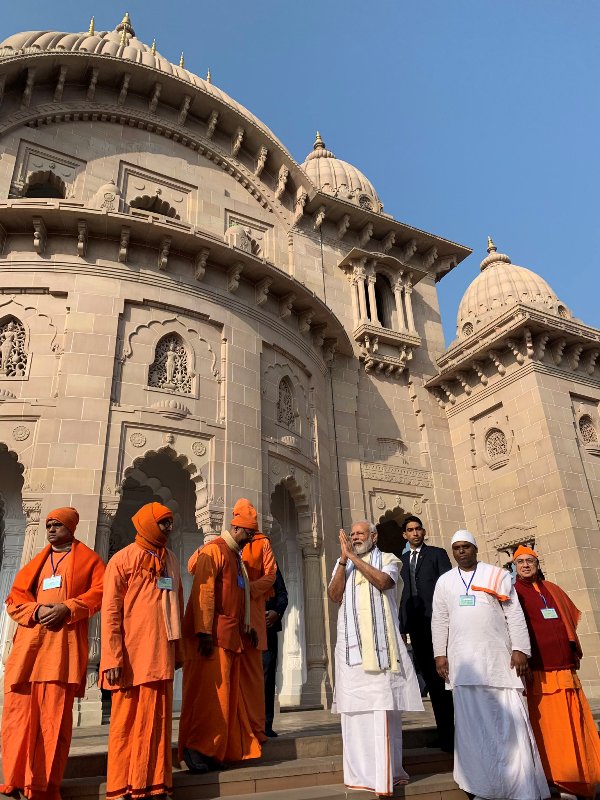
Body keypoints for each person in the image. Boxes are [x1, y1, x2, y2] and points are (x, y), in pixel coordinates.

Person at [432, 530, 549, 800]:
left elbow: (514, 612)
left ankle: (520, 787)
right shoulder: (445, 582)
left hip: (499, 662)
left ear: (474, 549)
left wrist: (520, 649)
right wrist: (440, 654)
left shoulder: (497, 574)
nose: (461, 551)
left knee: (509, 724)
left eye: (466, 547)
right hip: (463, 665)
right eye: (457, 548)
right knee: (472, 730)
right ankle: (481, 786)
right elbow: (439, 620)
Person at [0, 507, 105, 800]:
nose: (51, 529)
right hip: (29, 650)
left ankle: (44, 786)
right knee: (17, 717)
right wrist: (37, 609)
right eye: (48, 525)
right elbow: (14, 599)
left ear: (71, 528)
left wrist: (67, 608)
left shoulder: (89, 561)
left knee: (53, 720)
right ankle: (16, 779)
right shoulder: (38, 561)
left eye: (57, 525)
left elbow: (101, 592)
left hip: (61, 651)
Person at [328, 520, 424, 797]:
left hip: (381, 654)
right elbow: (334, 596)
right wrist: (345, 562)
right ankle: (359, 775)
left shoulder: (389, 559)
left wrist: (354, 559)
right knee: (354, 713)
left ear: (374, 536)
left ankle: (385, 775)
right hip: (351, 654)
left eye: (360, 534)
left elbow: (383, 582)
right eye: (353, 534)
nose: (356, 537)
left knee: (381, 712)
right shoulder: (343, 563)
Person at [100, 501, 183, 800]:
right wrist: (112, 656)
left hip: (161, 655)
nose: (169, 528)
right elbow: (110, 611)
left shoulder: (170, 560)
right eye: (164, 523)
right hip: (131, 657)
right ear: (148, 523)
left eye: (171, 522)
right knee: (127, 725)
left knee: (158, 724)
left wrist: (179, 651)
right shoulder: (123, 559)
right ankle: (125, 786)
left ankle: (155, 785)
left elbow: (178, 604)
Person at [179, 498, 262, 773]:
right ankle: (196, 748)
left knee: (225, 697)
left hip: (229, 637)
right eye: (249, 533)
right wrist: (203, 632)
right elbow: (204, 592)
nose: (251, 539)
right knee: (208, 697)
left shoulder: (234, 556)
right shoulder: (214, 551)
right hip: (211, 639)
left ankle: (216, 749)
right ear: (237, 528)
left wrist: (246, 625)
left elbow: (239, 595)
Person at [513, 545, 600, 799]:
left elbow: (569, 619)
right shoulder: (514, 592)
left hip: (565, 669)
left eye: (530, 561)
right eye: (521, 563)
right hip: (538, 672)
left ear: (538, 564)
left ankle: (579, 776)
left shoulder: (552, 589)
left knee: (574, 724)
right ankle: (556, 778)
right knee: (550, 729)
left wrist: (573, 651)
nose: (526, 566)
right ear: (514, 567)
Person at [398, 515, 454, 752]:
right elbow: (400, 596)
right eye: (410, 530)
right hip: (417, 627)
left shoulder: (436, 554)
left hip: (438, 624)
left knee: (445, 680)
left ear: (423, 531)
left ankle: (455, 734)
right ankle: (445, 734)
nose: (415, 533)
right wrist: (402, 627)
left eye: (418, 529)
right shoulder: (400, 561)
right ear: (405, 535)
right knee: (432, 681)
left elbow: (448, 586)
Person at [240, 530, 276, 742]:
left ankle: (262, 725)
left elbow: (279, 590)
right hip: (238, 628)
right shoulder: (228, 555)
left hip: (263, 629)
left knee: (263, 678)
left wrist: (276, 612)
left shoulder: (264, 550)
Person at [263, 565, 289, 737]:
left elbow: (282, 595)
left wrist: (276, 612)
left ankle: (266, 724)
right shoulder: (237, 558)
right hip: (244, 629)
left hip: (267, 628)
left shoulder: (270, 565)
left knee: (267, 675)